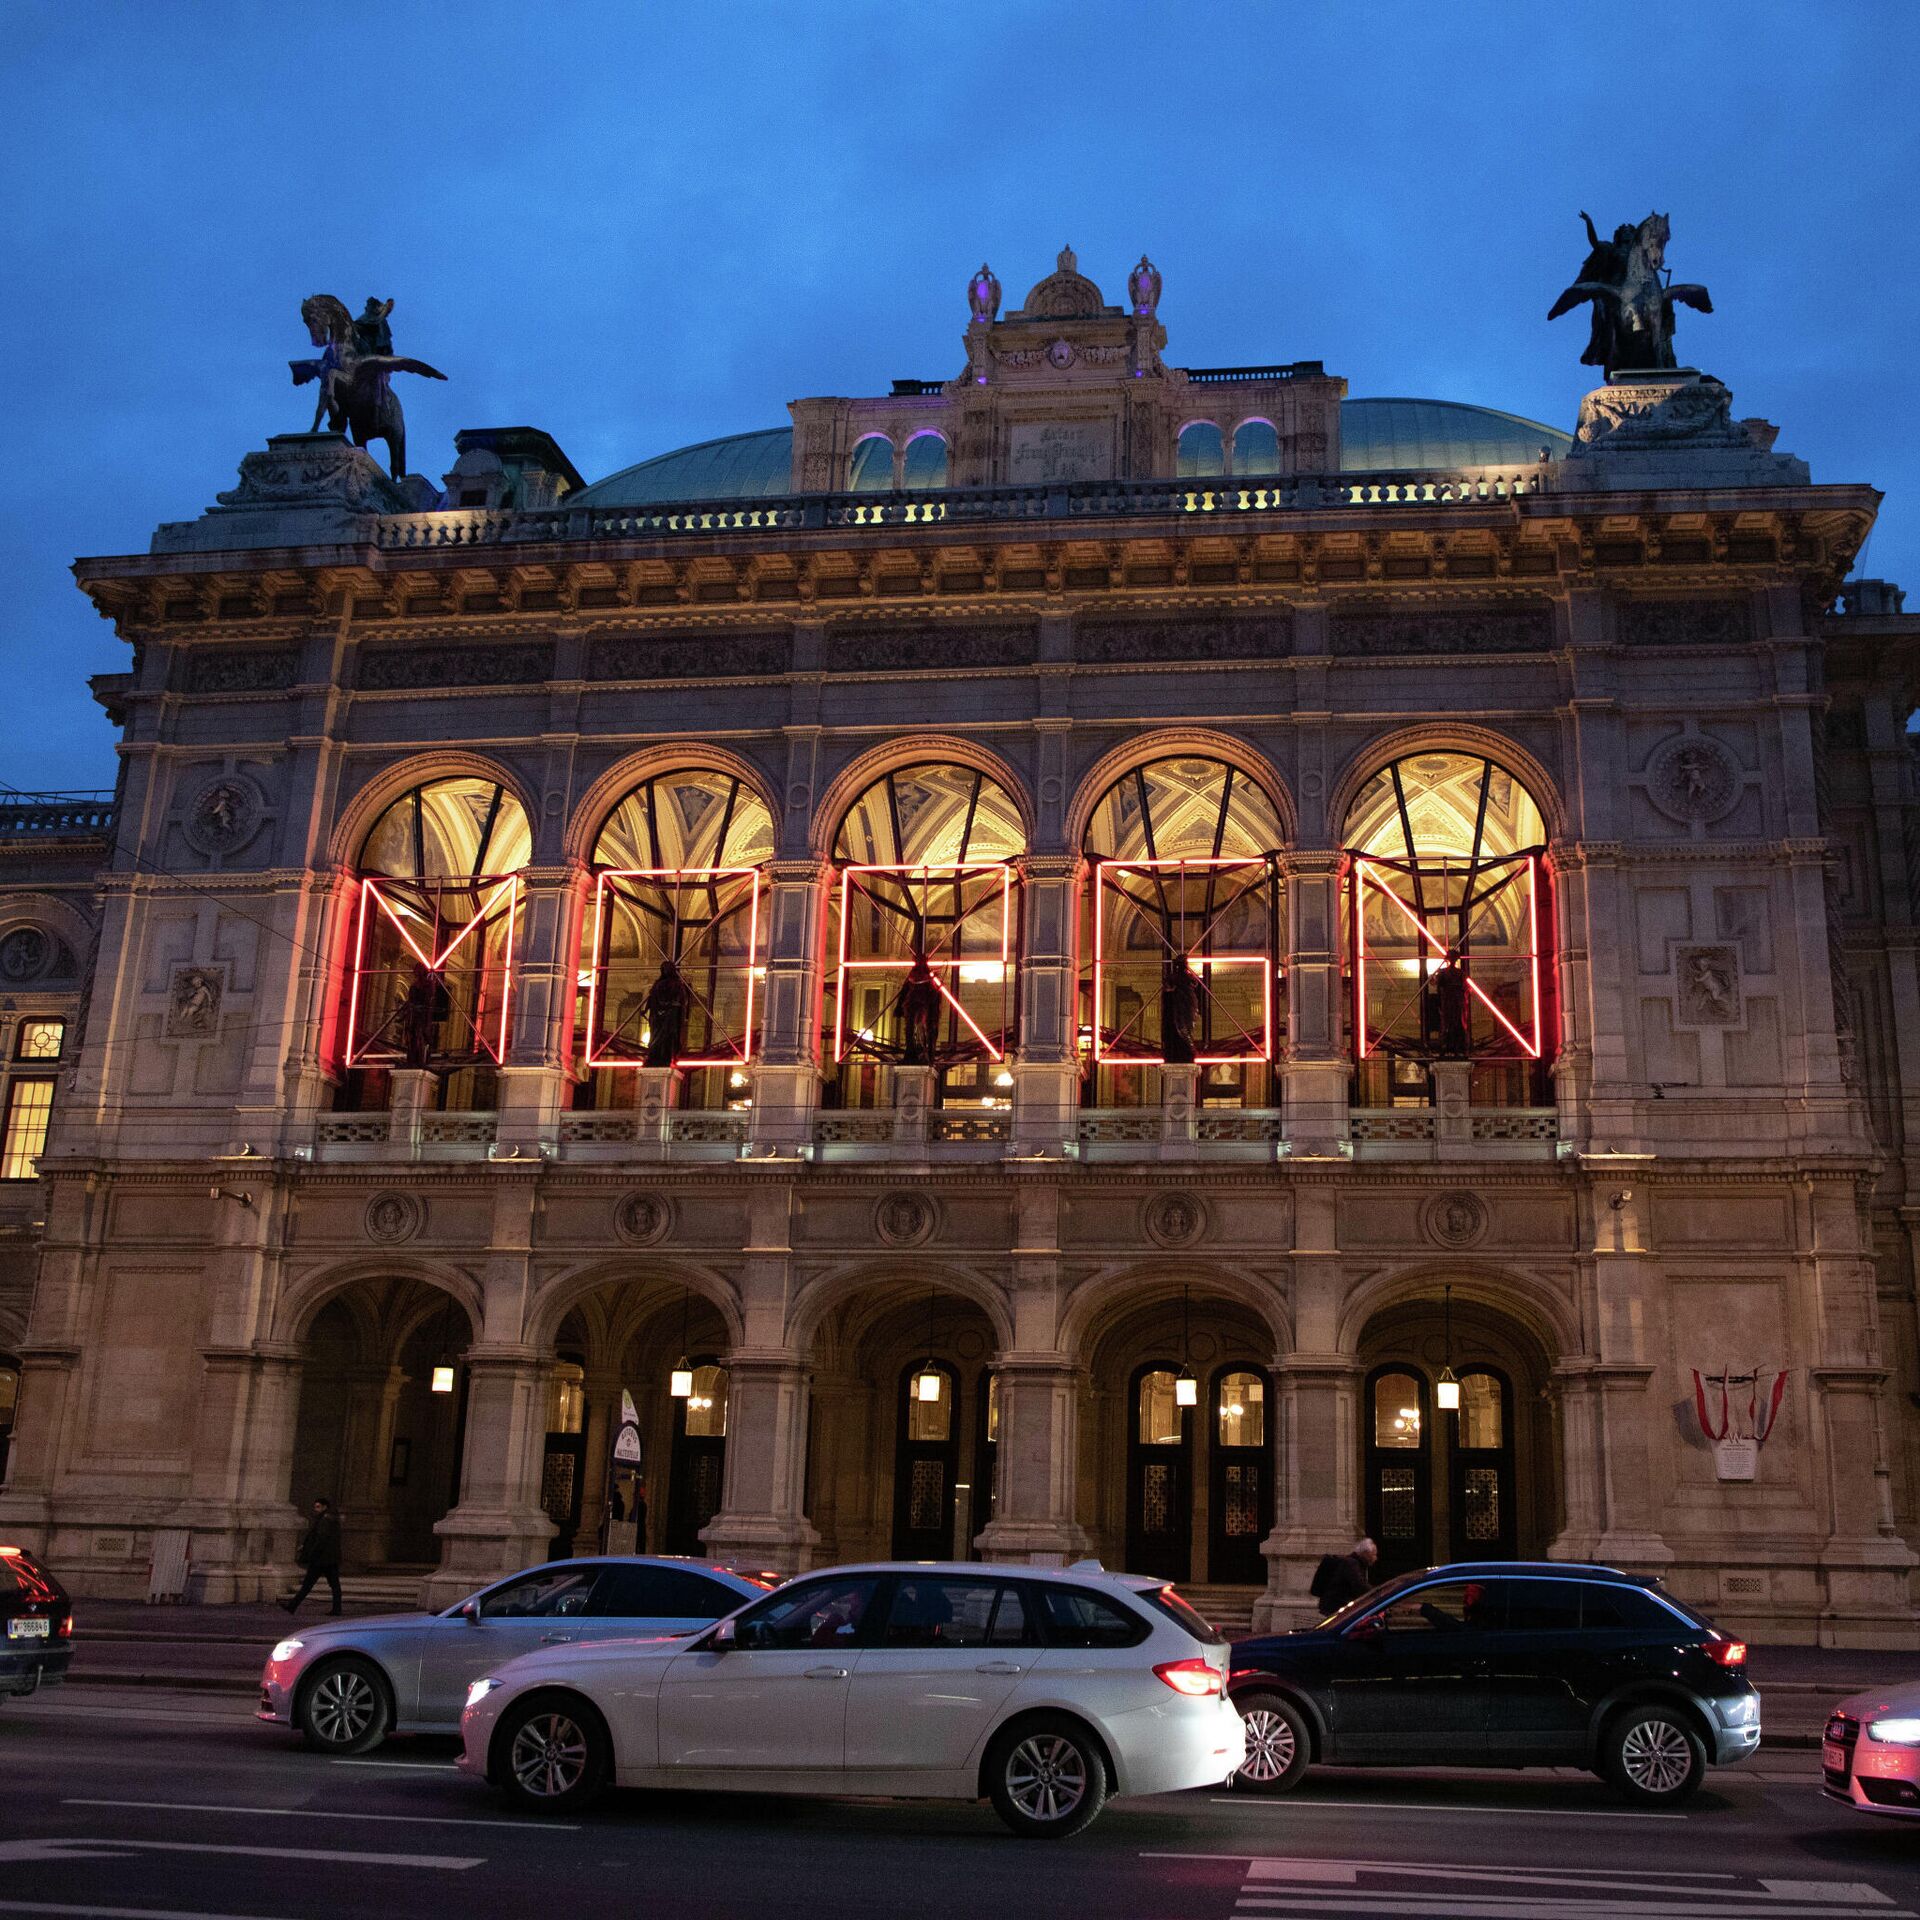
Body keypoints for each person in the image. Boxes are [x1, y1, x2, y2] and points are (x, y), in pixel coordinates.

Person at [285, 1497, 343, 1616]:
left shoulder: (324, 1520)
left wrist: (311, 1553)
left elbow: (321, 1539)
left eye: (318, 1507)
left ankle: (292, 1606)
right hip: (329, 1558)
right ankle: (337, 1609)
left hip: (321, 1559)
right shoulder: (330, 1519)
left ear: (324, 1507)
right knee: (334, 1585)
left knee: (308, 1584)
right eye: (315, 1507)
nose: (315, 1509)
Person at [1308, 1536, 1378, 1613]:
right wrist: (1377, 1593)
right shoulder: (1352, 1564)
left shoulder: (1356, 1564)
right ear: (1365, 1553)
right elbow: (1359, 1585)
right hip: (1336, 1606)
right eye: (1373, 1555)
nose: (1375, 1558)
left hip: (1336, 1605)